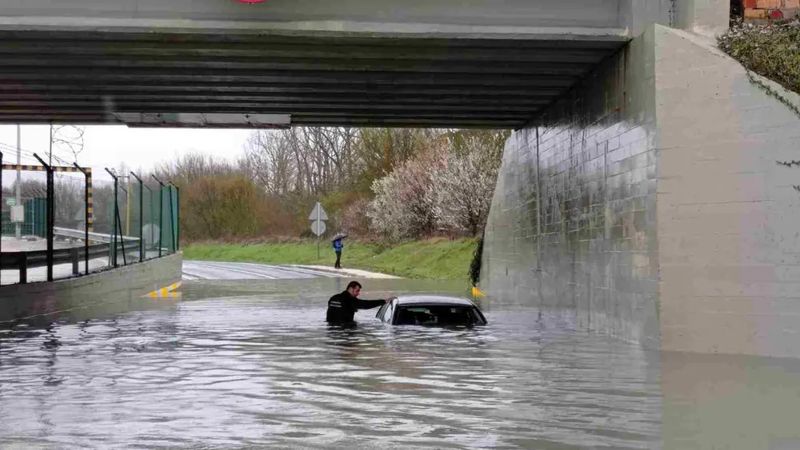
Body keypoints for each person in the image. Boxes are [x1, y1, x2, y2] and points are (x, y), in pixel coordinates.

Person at [326, 281, 394, 324]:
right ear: (351, 289)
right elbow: (366, 304)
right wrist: (383, 301)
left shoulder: (333, 298)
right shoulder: (350, 300)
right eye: (357, 291)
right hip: (345, 330)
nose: (358, 293)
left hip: (331, 330)